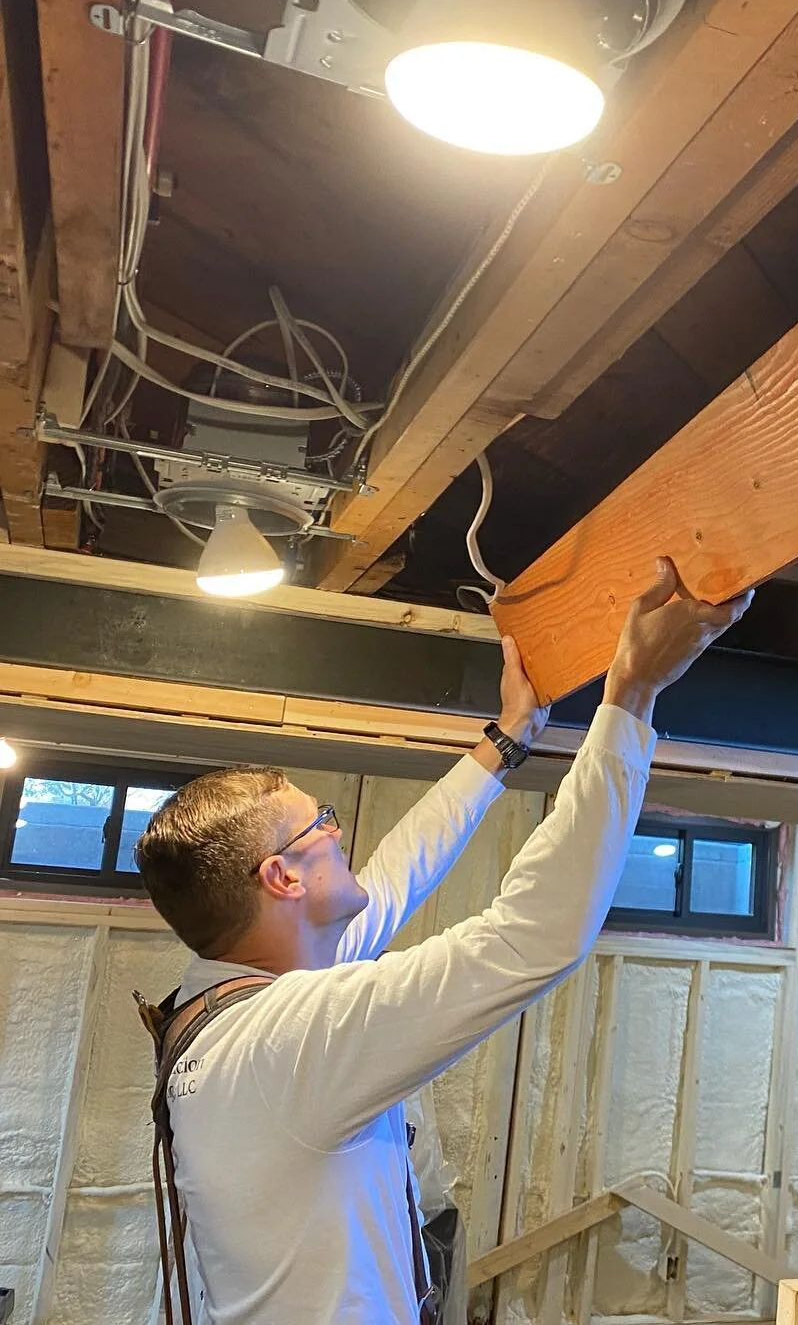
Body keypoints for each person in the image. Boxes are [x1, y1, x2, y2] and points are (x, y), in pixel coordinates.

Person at [133, 558, 750, 1324]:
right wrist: (632, 694)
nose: (336, 830)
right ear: (282, 877)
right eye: (320, 820)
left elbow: (395, 873)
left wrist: (507, 738)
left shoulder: (220, 1014)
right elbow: (532, 935)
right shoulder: (289, 1041)